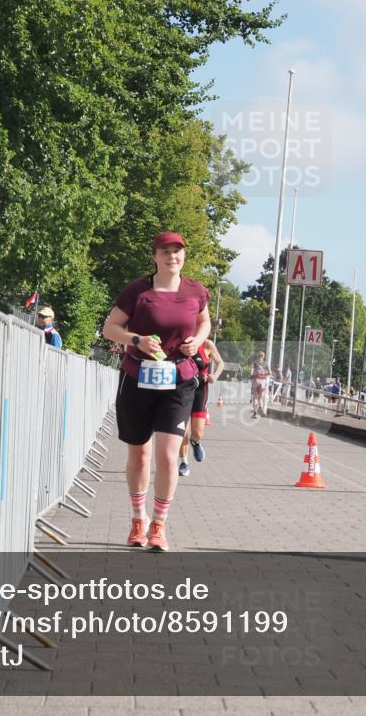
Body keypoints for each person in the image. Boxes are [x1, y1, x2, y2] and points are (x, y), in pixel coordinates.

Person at [102, 232, 211, 551]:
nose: (172, 257)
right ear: (155, 257)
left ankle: (159, 526)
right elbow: (111, 328)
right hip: (137, 376)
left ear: (183, 256)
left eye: (177, 252)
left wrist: (198, 341)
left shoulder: (196, 291)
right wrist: (136, 340)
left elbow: (204, 322)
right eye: (166, 252)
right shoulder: (138, 290)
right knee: (139, 453)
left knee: (166, 455)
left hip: (178, 380)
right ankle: (139, 520)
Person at [179, 332, 225, 476]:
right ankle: (183, 462)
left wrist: (215, 376)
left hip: (201, 391)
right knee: (183, 431)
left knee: (197, 432)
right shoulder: (181, 341)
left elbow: (220, 363)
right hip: (182, 390)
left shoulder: (207, 344)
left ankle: (196, 443)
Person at [250, 351, 270, 418]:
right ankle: (261, 408)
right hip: (263, 382)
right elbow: (270, 372)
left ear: (258, 355)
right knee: (260, 398)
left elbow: (251, 373)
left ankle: (255, 413)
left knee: (255, 397)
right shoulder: (265, 364)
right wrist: (264, 374)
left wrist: (253, 375)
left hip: (256, 380)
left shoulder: (254, 362)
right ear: (263, 356)